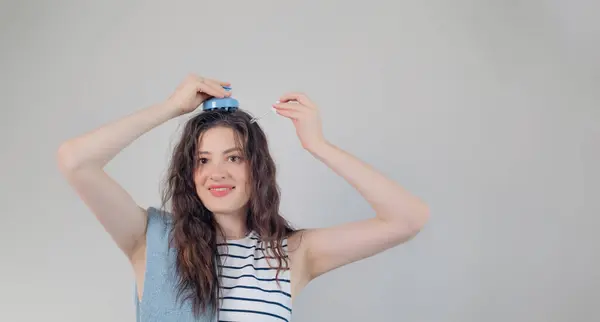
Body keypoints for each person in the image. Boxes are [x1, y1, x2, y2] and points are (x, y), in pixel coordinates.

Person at [56, 74, 430, 322]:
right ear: (191, 174)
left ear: (257, 169)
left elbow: (408, 219)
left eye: (233, 157)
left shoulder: (291, 253)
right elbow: (76, 161)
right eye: (202, 161)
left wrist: (318, 145)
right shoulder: (151, 239)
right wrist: (171, 107)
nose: (216, 172)